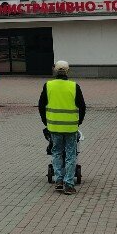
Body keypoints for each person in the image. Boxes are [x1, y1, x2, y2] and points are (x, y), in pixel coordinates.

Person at [38, 60, 86, 195]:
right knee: (71, 154)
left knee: (57, 152)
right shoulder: (74, 86)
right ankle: (69, 184)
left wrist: (46, 122)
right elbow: (82, 107)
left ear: (55, 70)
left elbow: (41, 106)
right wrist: (78, 122)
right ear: (68, 71)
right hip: (71, 128)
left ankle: (59, 180)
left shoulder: (48, 86)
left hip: (54, 127)